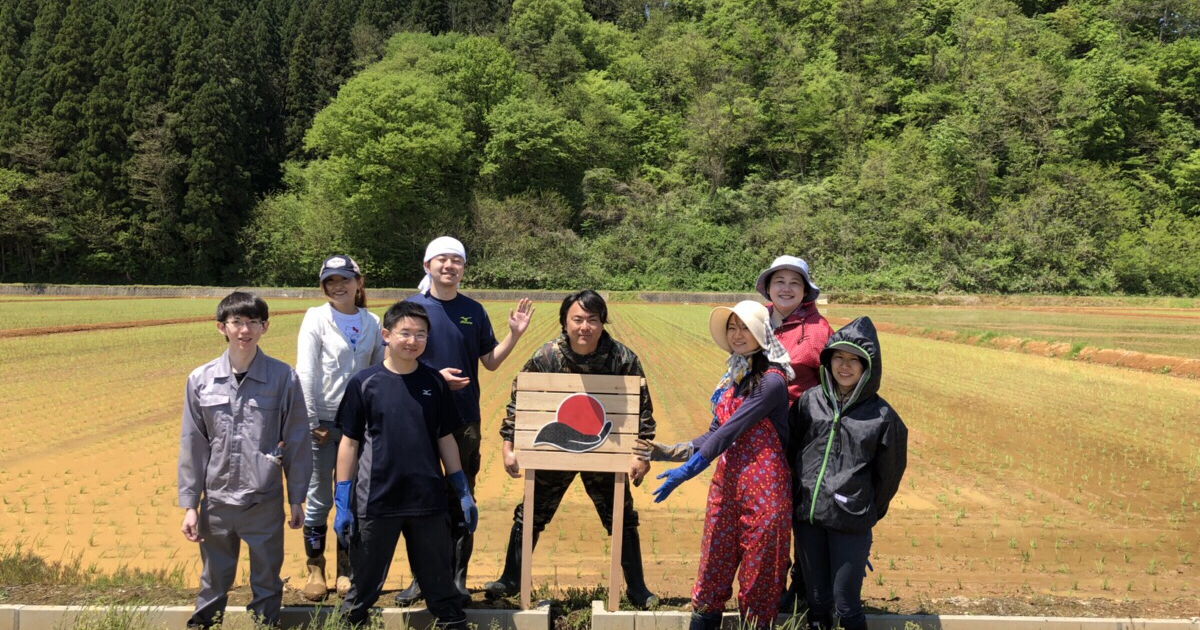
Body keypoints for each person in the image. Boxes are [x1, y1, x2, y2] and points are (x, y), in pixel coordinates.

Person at [484, 290, 658, 608]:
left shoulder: (623, 359)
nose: (584, 327)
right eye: (577, 319)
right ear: (565, 322)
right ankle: (510, 579)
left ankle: (637, 588)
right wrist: (509, 446)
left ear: (602, 322)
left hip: (607, 449)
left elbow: (642, 411)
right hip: (556, 448)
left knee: (621, 516)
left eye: (592, 320)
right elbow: (520, 401)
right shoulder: (547, 356)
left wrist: (641, 455)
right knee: (531, 512)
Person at [396, 236, 533, 605]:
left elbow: (490, 362)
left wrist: (514, 335)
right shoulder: (410, 309)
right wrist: (435, 378)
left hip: (463, 419)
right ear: (427, 265)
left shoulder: (473, 310)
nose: (449, 266)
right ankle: (422, 580)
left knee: (462, 497)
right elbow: (394, 362)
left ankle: (457, 579)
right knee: (419, 501)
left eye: (456, 260)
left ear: (463, 268)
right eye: (441, 259)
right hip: (417, 417)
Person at [645, 300, 794, 630]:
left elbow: (731, 430)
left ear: (762, 334)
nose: (737, 335)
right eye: (732, 328)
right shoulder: (732, 379)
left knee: (759, 576)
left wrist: (691, 469)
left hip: (765, 492)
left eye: (745, 328)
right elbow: (715, 430)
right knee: (714, 564)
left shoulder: (772, 381)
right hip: (726, 487)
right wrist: (670, 451)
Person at [332, 301, 477, 629]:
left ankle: (451, 622)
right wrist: (342, 499)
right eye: (405, 333)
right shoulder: (364, 383)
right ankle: (350, 623)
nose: (413, 341)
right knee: (364, 582)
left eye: (421, 334)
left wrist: (461, 489)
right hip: (376, 499)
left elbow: (445, 438)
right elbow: (349, 443)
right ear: (386, 335)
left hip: (427, 499)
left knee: (439, 581)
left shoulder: (434, 383)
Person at [178, 292, 311, 629]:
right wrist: (190, 504)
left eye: (253, 322)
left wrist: (297, 498)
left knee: (266, 577)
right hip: (217, 501)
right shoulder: (201, 380)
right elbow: (193, 444)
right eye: (236, 322)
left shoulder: (283, 377)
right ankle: (205, 624)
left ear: (265, 326)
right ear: (221, 327)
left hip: (263, 499)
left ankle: (265, 624)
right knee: (214, 577)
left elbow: (297, 440)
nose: (245, 330)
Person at [789, 317, 907, 630]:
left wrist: (862, 507)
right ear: (828, 361)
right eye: (838, 357)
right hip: (808, 517)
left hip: (851, 522)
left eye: (854, 359)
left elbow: (889, 476)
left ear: (868, 366)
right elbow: (792, 452)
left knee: (846, 604)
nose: (845, 366)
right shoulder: (809, 402)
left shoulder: (883, 417)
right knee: (816, 601)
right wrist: (800, 497)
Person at [296, 255, 385, 601]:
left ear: (358, 283)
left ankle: (345, 568)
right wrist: (310, 422)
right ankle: (315, 567)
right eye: (330, 281)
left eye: (344, 279)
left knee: (351, 497)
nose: (338, 286)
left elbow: (378, 371)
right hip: (322, 423)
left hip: (358, 424)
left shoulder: (372, 321)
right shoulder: (315, 318)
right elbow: (305, 370)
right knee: (319, 497)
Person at [755, 255, 832, 612]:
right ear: (768, 287)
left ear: (805, 290)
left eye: (794, 283)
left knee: (800, 511)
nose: (786, 288)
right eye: (779, 281)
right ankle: (767, 584)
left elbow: (833, 383)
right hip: (759, 431)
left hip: (801, 436)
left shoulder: (818, 330)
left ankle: (801, 587)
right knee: (766, 511)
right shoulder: (756, 320)